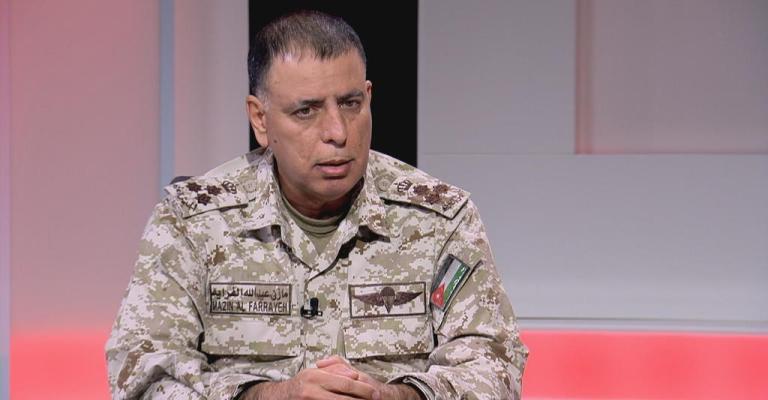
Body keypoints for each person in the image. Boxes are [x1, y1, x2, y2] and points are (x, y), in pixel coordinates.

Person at [106, 10, 528, 400]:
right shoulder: (192, 222)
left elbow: (493, 366)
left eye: (350, 104)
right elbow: (142, 375)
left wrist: (394, 397)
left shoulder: (440, 219)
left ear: (368, 98)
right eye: (306, 111)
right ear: (260, 119)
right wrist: (272, 397)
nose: (337, 132)